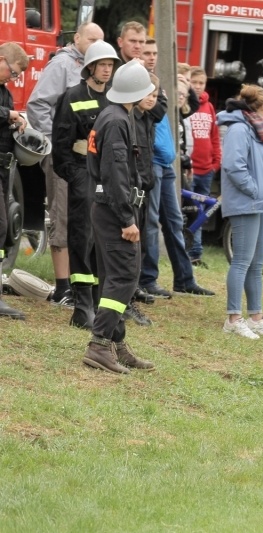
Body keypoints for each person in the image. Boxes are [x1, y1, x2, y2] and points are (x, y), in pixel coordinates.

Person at [83, 61, 156, 374]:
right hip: (116, 210)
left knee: (116, 276)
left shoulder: (116, 114)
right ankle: (99, 344)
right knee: (124, 275)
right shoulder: (116, 119)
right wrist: (127, 218)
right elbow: (114, 173)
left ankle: (117, 342)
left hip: (112, 207)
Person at [26, 22, 105, 308]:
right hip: (64, 157)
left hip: (89, 161)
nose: (96, 43)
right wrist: (56, 145)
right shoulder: (62, 65)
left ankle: (78, 284)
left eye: (100, 40)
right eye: (91, 38)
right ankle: (62, 289)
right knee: (63, 216)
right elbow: (38, 105)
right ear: (78, 38)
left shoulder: (97, 69)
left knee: (85, 221)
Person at [51, 41, 119, 329]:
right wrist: (74, 176)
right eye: (102, 64)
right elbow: (61, 141)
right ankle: (82, 306)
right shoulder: (73, 96)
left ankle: (95, 297)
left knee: (100, 238)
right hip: (81, 173)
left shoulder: (114, 99)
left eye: (110, 65)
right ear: (90, 67)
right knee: (81, 234)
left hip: (105, 176)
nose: (107, 69)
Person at [139, 43, 214, 301]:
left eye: (154, 53)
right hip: (152, 163)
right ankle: (148, 279)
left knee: (175, 222)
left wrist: (183, 85)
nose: (150, 57)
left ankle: (185, 278)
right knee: (150, 224)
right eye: (146, 53)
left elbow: (189, 105)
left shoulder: (162, 85)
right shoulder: (141, 84)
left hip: (167, 165)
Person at [217, 85, 263, 339]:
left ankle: (256, 316)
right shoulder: (239, 129)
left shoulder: (256, 129)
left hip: (259, 202)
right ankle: (233, 317)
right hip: (247, 202)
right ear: (262, 106)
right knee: (242, 261)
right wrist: (255, 190)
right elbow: (234, 166)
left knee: (257, 263)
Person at [0, 42, 29, 320]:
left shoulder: (6, 95)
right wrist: (7, 115)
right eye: (13, 71)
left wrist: (16, 123)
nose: (13, 77)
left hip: (3, 167)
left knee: (3, 227)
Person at [186, 66, 221, 266]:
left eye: (201, 83)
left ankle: (196, 253)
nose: (198, 87)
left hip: (206, 169)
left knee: (201, 213)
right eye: (195, 82)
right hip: (190, 169)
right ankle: (188, 249)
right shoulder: (186, 105)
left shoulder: (209, 107)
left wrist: (216, 162)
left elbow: (214, 136)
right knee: (189, 211)